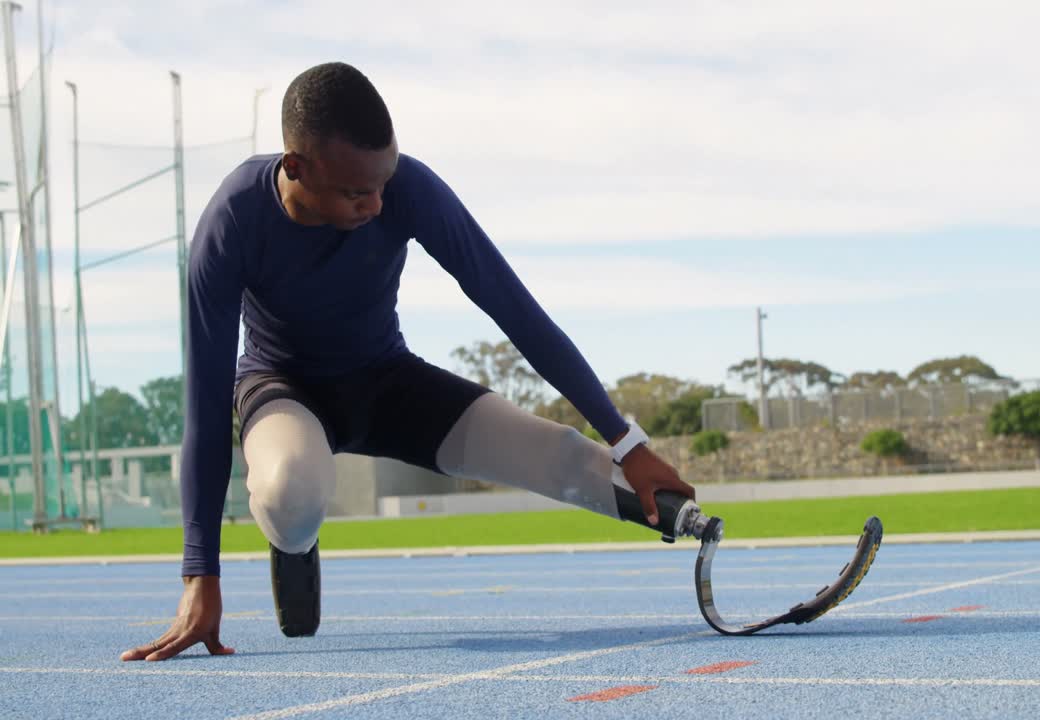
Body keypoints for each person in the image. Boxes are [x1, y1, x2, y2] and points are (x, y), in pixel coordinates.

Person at [121, 61, 696, 662]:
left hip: (388, 382)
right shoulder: (232, 221)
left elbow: (514, 308)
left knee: (556, 453)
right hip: (282, 390)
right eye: (354, 192)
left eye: (383, 182)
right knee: (293, 490)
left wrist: (627, 443)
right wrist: (199, 578)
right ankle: (295, 537)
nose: (376, 203)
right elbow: (206, 407)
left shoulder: (407, 188)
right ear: (296, 167)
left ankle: (686, 520)